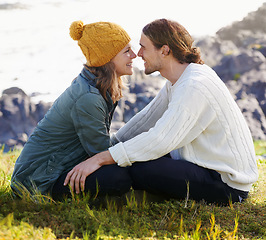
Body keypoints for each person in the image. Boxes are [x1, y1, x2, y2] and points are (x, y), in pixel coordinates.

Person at [64, 19, 259, 204]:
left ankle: (77, 192)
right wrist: (110, 147)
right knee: (133, 156)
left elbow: (160, 139)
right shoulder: (181, 78)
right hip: (204, 165)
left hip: (226, 184)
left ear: (164, 50)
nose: (138, 54)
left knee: (137, 167)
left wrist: (101, 158)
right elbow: (146, 120)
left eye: (144, 47)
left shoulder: (194, 86)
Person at [11, 20, 136, 200]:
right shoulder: (88, 97)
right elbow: (100, 151)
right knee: (117, 178)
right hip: (36, 181)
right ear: (107, 59)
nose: (134, 55)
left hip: (54, 169)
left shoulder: (96, 84)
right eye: (126, 51)